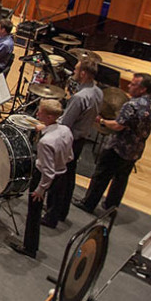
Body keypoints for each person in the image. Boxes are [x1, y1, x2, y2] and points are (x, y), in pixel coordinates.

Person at [76, 73, 151, 213]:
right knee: (120, 179)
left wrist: (101, 121)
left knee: (101, 176)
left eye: (133, 84)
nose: (129, 86)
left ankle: (88, 204)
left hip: (118, 148)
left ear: (143, 89)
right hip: (135, 150)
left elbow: (118, 125)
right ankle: (110, 207)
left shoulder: (132, 105)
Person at [11, 100, 73, 258]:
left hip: (43, 177)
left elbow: (48, 172)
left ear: (50, 117)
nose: (37, 114)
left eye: (40, 112)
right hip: (62, 173)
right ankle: (51, 221)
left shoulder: (45, 142)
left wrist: (40, 189)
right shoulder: (65, 130)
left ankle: (29, 247)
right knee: (53, 202)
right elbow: (70, 156)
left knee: (34, 212)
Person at [54, 58, 102, 221]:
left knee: (60, 178)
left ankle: (53, 214)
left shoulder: (80, 97)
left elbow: (65, 124)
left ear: (83, 73)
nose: (73, 72)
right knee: (69, 177)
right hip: (81, 139)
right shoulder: (98, 92)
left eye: (76, 69)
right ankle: (62, 211)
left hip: (70, 140)